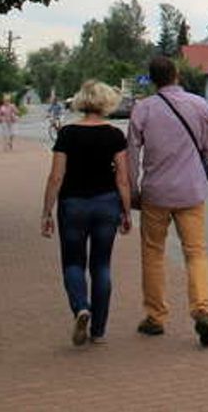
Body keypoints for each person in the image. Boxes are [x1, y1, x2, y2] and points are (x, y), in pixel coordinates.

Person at [127, 56, 208, 347]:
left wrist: (133, 190)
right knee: (196, 252)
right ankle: (202, 309)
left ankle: (155, 316)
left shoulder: (142, 110)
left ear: (153, 79)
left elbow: (132, 155)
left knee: (153, 253)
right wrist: (198, 172)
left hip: (156, 192)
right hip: (191, 192)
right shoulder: (201, 106)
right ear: (177, 75)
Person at [40, 80, 131, 346]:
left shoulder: (67, 134)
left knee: (73, 263)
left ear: (81, 101)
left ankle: (81, 306)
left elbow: (56, 176)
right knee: (101, 265)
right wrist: (126, 211)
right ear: (106, 102)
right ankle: (99, 331)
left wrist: (46, 211)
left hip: (73, 205)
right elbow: (123, 179)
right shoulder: (114, 135)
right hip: (106, 204)